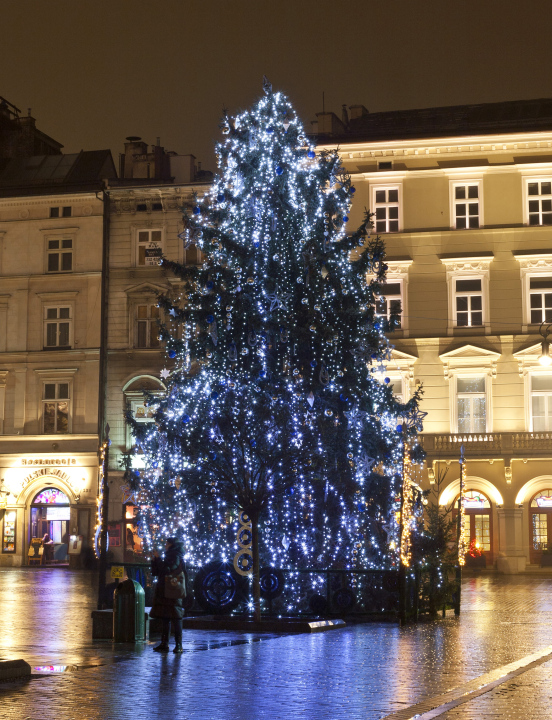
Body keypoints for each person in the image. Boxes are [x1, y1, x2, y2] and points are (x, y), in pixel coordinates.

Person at [150, 537, 187, 653]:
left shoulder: (175, 555)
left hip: (173, 589)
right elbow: (157, 572)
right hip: (166, 590)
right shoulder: (170, 554)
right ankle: (164, 643)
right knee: (165, 617)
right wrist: (155, 560)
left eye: (166, 543)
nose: (165, 545)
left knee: (176, 617)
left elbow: (167, 569)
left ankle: (178, 644)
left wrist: (158, 559)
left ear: (171, 544)